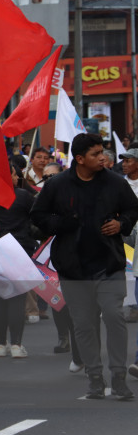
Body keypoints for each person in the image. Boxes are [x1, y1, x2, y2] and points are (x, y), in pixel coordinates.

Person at [31, 132, 138, 400]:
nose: (102, 158)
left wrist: (121, 224)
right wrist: (61, 224)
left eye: (102, 152)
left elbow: (133, 209)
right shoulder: (57, 185)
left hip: (109, 264)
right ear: (79, 159)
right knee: (84, 324)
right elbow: (38, 215)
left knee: (114, 316)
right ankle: (95, 378)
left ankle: (119, 377)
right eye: (95, 154)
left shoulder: (115, 182)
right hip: (73, 268)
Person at [0, 163, 36, 358]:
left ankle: (0, 344)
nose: (16, 177)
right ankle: (16, 344)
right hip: (19, 250)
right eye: (14, 174)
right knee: (17, 298)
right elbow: (35, 216)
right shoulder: (23, 196)